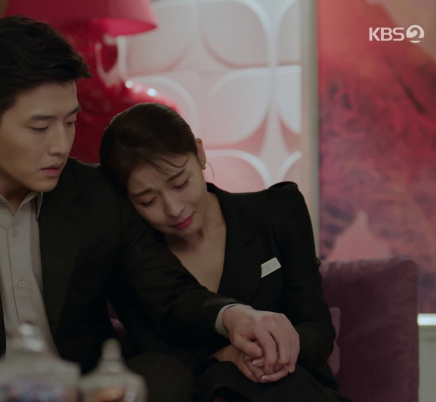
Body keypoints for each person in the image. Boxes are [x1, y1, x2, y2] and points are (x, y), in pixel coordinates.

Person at [0, 16, 300, 402]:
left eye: (69, 121)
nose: (61, 145)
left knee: (162, 376)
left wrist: (233, 315)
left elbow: (165, 291)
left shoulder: (97, 193)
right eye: (40, 127)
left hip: (85, 393)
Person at [99, 103, 351, 402]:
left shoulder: (277, 212)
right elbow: (156, 353)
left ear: (200, 153)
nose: (174, 209)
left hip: (291, 385)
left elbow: (316, 329)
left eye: (180, 183)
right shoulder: (132, 257)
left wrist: (265, 354)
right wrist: (224, 356)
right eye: (148, 201)